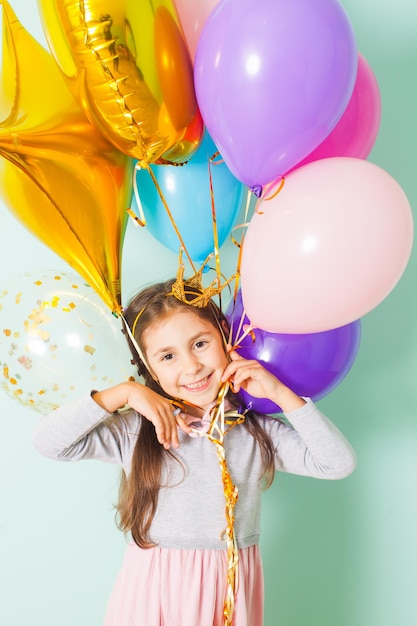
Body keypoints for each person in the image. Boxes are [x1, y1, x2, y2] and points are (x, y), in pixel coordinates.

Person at [32, 277, 356, 626]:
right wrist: (123, 394)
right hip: (155, 592)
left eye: (200, 343)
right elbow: (49, 442)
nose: (191, 367)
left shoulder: (253, 430)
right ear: (148, 367)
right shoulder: (138, 429)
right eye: (168, 356)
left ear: (225, 339)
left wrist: (279, 393)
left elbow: (336, 464)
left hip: (229, 587)